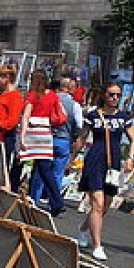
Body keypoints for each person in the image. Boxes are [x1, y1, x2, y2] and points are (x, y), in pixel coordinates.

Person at [74, 85, 130, 260]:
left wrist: (131, 157)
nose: (114, 98)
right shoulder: (93, 116)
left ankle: (83, 229)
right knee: (97, 203)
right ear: (104, 96)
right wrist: (72, 158)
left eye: (117, 95)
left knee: (105, 205)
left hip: (113, 162)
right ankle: (97, 245)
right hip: (95, 161)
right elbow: (82, 137)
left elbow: (133, 139)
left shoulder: (123, 117)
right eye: (111, 94)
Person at [18, 69, 65, 216]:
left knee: (19, 163)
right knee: (45, 169)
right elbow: (61, 113)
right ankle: (56, 201)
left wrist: (22, 136)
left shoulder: (32, 96)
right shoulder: (52, 95)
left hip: (33, 131)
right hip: (46, 133)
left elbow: (26, 116)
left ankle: (17, 192)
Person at [51, 75, 84, 204]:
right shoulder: (74, 105)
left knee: (41, 169)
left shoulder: (50, 99)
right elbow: (80, 125)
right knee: (58, 172)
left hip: (47, 138)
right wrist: (75, 136)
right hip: (64, 139)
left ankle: (35, 198)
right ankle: (54, 201)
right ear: (70, 88)